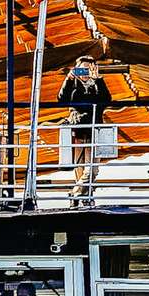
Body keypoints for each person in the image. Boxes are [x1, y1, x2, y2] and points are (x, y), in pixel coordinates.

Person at [56, 57, 114, 204]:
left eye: (88, 69)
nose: (85, 73)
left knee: (93, 169)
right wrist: (69, 78)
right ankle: (86, 198)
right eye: (82, 69)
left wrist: (98, 79)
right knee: (80, 169)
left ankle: (75, 194)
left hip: (95, 131)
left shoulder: (97, 85)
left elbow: (106, 101)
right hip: (78, 131)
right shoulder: (73, 85)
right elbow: (61, 99)